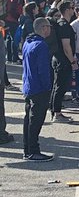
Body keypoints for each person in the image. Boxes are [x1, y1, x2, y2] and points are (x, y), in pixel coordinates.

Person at [21, 16, 54, 160]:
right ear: (43, 28)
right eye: (48, 26)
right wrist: (48, 87)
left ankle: (27, 149)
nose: (50, 29)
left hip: (29, 86)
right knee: (36, 120)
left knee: (28, 119)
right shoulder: (41, 45)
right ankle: (33, 151)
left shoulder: (28, 43)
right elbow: (43, 70)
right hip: (39, 87)